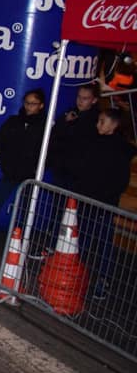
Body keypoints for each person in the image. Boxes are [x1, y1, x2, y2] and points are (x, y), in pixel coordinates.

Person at [60, 108, 136, 296]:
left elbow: (120, 181)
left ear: (114, 125)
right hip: (84, 200)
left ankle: (103, 279)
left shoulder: (119, 150)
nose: (97, 124)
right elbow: (80, 166)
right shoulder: (93, 142)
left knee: (103, 244)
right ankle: (77, 274)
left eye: (102, 121)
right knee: (81, 240)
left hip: (103, 204)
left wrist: (105, 197)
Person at [0, 89, 47, 247]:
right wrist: (5, 161)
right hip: (11, 171)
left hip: (29, 175)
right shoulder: (14, 121)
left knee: (25, 209)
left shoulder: (45, 126)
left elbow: (47, 150)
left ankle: (20, 241)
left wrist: (35, 168)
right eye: (27, 103)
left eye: (33, 104)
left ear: (41, 105)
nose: (29, 107)